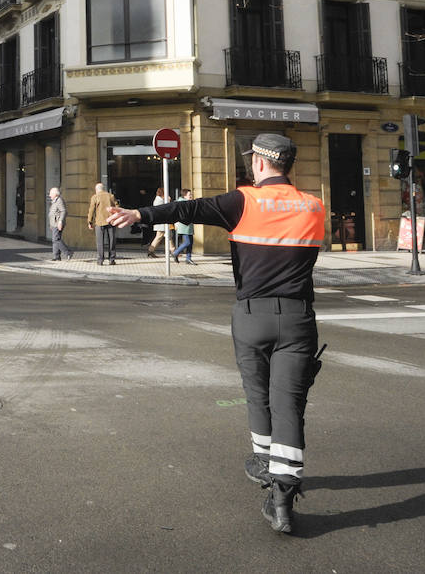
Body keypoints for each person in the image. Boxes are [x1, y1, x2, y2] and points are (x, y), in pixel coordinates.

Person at [108, 132, 326, 535]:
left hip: (251, 316)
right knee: (290, 405)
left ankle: (263, 462)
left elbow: (190, 208)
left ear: (259, 163)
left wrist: (140, 215)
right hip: (298, 319)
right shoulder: (314, 206)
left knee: (258, 395)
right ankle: (282, 502)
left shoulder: (245, 200)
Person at [87, 182, 119, 265]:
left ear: (96, 190)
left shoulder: (95, 197)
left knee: (100, 242)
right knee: (111, 241)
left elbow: (91, 210)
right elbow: (117, 207)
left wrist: (90, 221)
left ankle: (100, 260)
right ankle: (112, 259)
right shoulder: (110, 196)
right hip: (110, 221)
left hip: (99, 222)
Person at [170, 189, 195, 264]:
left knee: (190, 243)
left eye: (191, 195)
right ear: (184, 195)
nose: (191, 196)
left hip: (189, 226)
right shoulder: (181, 203)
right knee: (187, 242)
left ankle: (188, 258)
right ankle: (175, 253)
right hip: (184, 225)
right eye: (189, 195)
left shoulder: (189, 202)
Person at [48, 187, 73, 261]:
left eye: (51, 194)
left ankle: (68, 252)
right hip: (54, 224)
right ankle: (56, 256)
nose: (49, 195)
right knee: (55, 240)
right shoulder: (54, 201)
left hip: (57, 223)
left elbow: (63, 211)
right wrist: (51, 224)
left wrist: (60, 221)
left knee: (56, 239)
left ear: (55, 194)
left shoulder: (59, 201)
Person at [146, 186, 169, 257]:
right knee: (159, 236)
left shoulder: (159, 199)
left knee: (168, 236)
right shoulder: (159, 200)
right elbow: (164, 209)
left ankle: (174, 250)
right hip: (161, 222)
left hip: (161, 222)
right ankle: (150, 250)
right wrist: (168, 201)